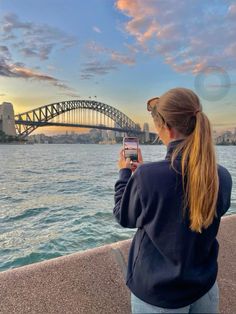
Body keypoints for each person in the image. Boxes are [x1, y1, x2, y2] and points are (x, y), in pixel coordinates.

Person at [113, 87, 232, 313]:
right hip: (203, 288)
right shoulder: (222, 176)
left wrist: (125, 174)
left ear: (165, 128)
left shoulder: (146, 176)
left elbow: (123, 215)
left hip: (159, 296)